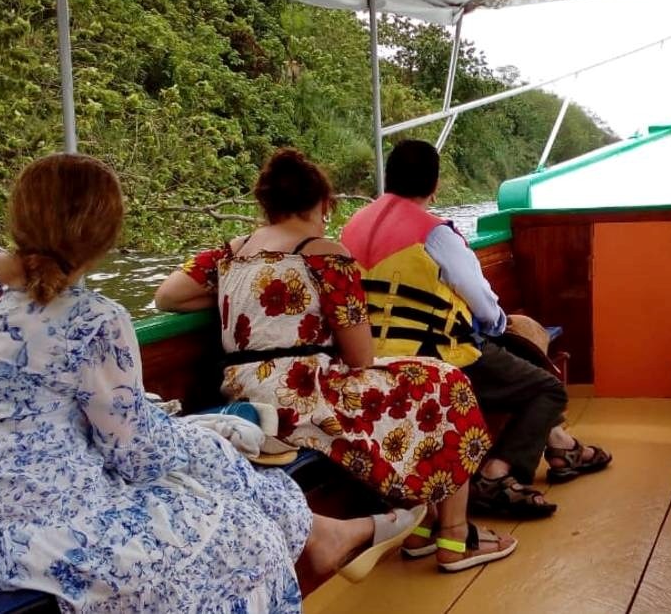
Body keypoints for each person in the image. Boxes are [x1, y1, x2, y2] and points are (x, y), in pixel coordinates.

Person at [0, 154, 422, 612]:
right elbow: (139, 459)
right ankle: (320, 532)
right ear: (106, 237)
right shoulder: (94, 319)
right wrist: (192, 434)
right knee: (249, 541)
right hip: (30, 525)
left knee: (207, 452)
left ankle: (323, 533)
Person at [154, 148, 515, 573]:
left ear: (265, 204)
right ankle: (454, 537)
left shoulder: (231, 253)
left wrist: (231, 291)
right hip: (305, 396)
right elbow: (361, 356)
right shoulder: (324, 253)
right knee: (445, 382)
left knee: (419, 387)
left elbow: (167, 295)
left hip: (243, 389)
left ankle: (422, 527)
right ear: (324, 204)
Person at [340, 140, 612, 522]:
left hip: (367, 355)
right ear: (434, 184)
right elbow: (483, 303)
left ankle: (561, 446)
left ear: (389, 178)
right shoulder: (434, 234)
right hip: (435, 358)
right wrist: (500, 325)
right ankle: (496, 475)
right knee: (545, 387)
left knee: (515, 372)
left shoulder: (352, 227)